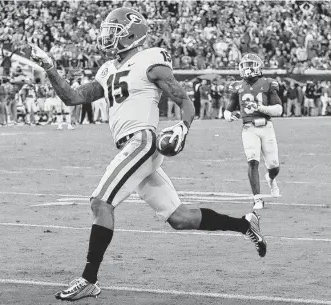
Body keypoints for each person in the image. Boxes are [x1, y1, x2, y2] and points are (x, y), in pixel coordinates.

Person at [30, 8, 267, 302]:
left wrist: (184, 126)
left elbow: (184, 100)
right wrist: (50, 67)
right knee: (180, 218)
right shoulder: (106, 70)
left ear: (131, 34)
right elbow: (73, 98)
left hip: (142, 142)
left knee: (101, 202)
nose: (107, 37)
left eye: (113, 31)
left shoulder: (150, 60)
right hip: (133, 148)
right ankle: (245, 224)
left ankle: (89, 279)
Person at [224, 53, 282, 210]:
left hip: (266, 127)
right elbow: (227, 110)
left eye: (250, 64)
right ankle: (257, 198)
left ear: (258, 66)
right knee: (252, 161)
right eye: (245, 64)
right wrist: (230, 116)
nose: (247, 68)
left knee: (274, 166)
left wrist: (261, 108)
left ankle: (271, 179)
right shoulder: (237, 86)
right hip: (248, 128)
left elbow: (278, 109)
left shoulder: (268, 83)